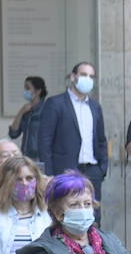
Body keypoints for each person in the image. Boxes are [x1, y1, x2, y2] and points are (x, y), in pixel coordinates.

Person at [36, 62, 108, 199]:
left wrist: (102, 169)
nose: (88, 79)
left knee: (93, 214)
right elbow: (45, 141)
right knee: (64, 211)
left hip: (92, 171)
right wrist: (50, 174)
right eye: (83, 75)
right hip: (65, 171)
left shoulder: (95, 107)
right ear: (73, 77)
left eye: (91, 76)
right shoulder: (55, 103)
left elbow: (101, 140)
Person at [8, 76, 47, 162]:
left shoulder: (47, 109)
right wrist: (21, 112)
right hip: (26, 156)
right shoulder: (26, 111)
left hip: (41, 157)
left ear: (38, 91)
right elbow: (13, 133)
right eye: (25, 88)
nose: (25, 91)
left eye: (28, 88)